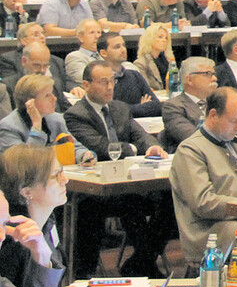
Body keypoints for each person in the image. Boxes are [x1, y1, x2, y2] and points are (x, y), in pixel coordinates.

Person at [64, 61, 170, 276]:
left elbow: (141, 136)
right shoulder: (76, 115)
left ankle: (142, 259)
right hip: (95, 190)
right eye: (104, 82)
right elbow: (102, 148)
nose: (110, 87)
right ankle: (90, 273)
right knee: (129, 204)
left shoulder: (120, 108)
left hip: (129, 183)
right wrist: (132, 148)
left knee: (170, 199)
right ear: (86, 84)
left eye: (112, 81)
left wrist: (153, 147)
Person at [169, 88, 237, 268]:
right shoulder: (190, 150)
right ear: (212, 115)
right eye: (233, 121)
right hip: (215, 229)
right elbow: (204, 203)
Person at [0, 146, 86, 287]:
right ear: (27, 191)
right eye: (56, 175)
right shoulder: (10, 239)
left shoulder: (48, 222)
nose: (65, 180)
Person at [0, 75, 92, 160]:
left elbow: (75, 147)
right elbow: (26, 162)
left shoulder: (56, 119)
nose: (54, 98)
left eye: (52, 93)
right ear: (30, 102)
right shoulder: (9, 127)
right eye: (47, 95)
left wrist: (84, 155)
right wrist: (36, 126)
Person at [159, 56, 218, 153]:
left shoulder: (219, 101)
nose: (214, 78)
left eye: (213, 74)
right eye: (207, 74)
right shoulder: (173, 107)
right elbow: (193, 138)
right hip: (193, 158)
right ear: (189, 80)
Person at [4, 42, 78, 113]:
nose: (42, 70)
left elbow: (67, 111)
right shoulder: (8, 85)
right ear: (24, 61)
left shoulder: (55, 84)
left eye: (45, 66)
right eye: (37, 65)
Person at [99, 33, 159, 117]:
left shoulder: (134, 75)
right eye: (117, 47)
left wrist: (129, 110)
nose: (123, 50)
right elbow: (110, 111)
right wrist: (140, 107)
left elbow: (156, 106)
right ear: (103, 53)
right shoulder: (100, 80)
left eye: (123, 45)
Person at [63, 19, 103, 86]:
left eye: (99, 32)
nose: (97, 36)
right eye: (92, 32)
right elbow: (85, 78)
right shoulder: (74, 57)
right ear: (81, 37)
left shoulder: (105, 55)